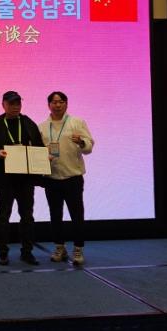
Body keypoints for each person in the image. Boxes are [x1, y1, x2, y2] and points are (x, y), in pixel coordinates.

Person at [0, 91, 44, 266]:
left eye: (18, 103)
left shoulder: (28, 123)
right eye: (11, 103)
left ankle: (27, 252)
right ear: (3, 105)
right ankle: (3, 252)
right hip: (4, 179)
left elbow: (39, 146)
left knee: (27, 215)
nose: (15, 107)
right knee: (3, 215)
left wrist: (44, 157)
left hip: (26, 179)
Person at [39, 91, 94, 265]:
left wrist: (82, 142)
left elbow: (89, 146)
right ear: (48, 105)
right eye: (54, 102)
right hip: (51, 178)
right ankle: (59, 247)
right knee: (55, 215)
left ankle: (78, 249)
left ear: (66, 104)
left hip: (73, 177)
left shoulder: (77, 122)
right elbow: (38, 152)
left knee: (77, 215)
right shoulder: (42, 127)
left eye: (61, 101)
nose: (58, 105)